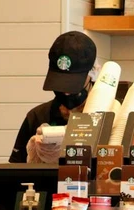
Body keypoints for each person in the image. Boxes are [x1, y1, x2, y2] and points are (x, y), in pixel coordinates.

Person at [9, 31, 98, 163]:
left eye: (73, 85)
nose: (66, 93)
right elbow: (13, 174)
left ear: (92, 73)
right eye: (60, 85)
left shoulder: (110, 115)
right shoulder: (37, 116)